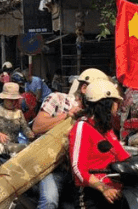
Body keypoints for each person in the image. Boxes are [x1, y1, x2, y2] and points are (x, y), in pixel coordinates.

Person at [32, 68, 108, 209]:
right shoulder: (58, 99)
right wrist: (67, 116)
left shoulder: (95, 113)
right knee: (50, 200)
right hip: (53, 168)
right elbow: (37, 127)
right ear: (84, 89)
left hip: (80, 172)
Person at [69, 79, 130, 209]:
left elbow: (122, 155)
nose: (117, 105)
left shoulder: (106, 129)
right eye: (115, 101)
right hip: (91, 193)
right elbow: (78, 169)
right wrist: (103, 188)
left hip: (114, 191)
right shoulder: (82, 127)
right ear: (104, 103)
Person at [0, 82, 35, 152]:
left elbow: (24, 127)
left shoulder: (19, 112)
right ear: (4, 98)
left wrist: (29, 133)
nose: (13, 102)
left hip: (14, 147)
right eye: (10, 100)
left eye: (15, 100)